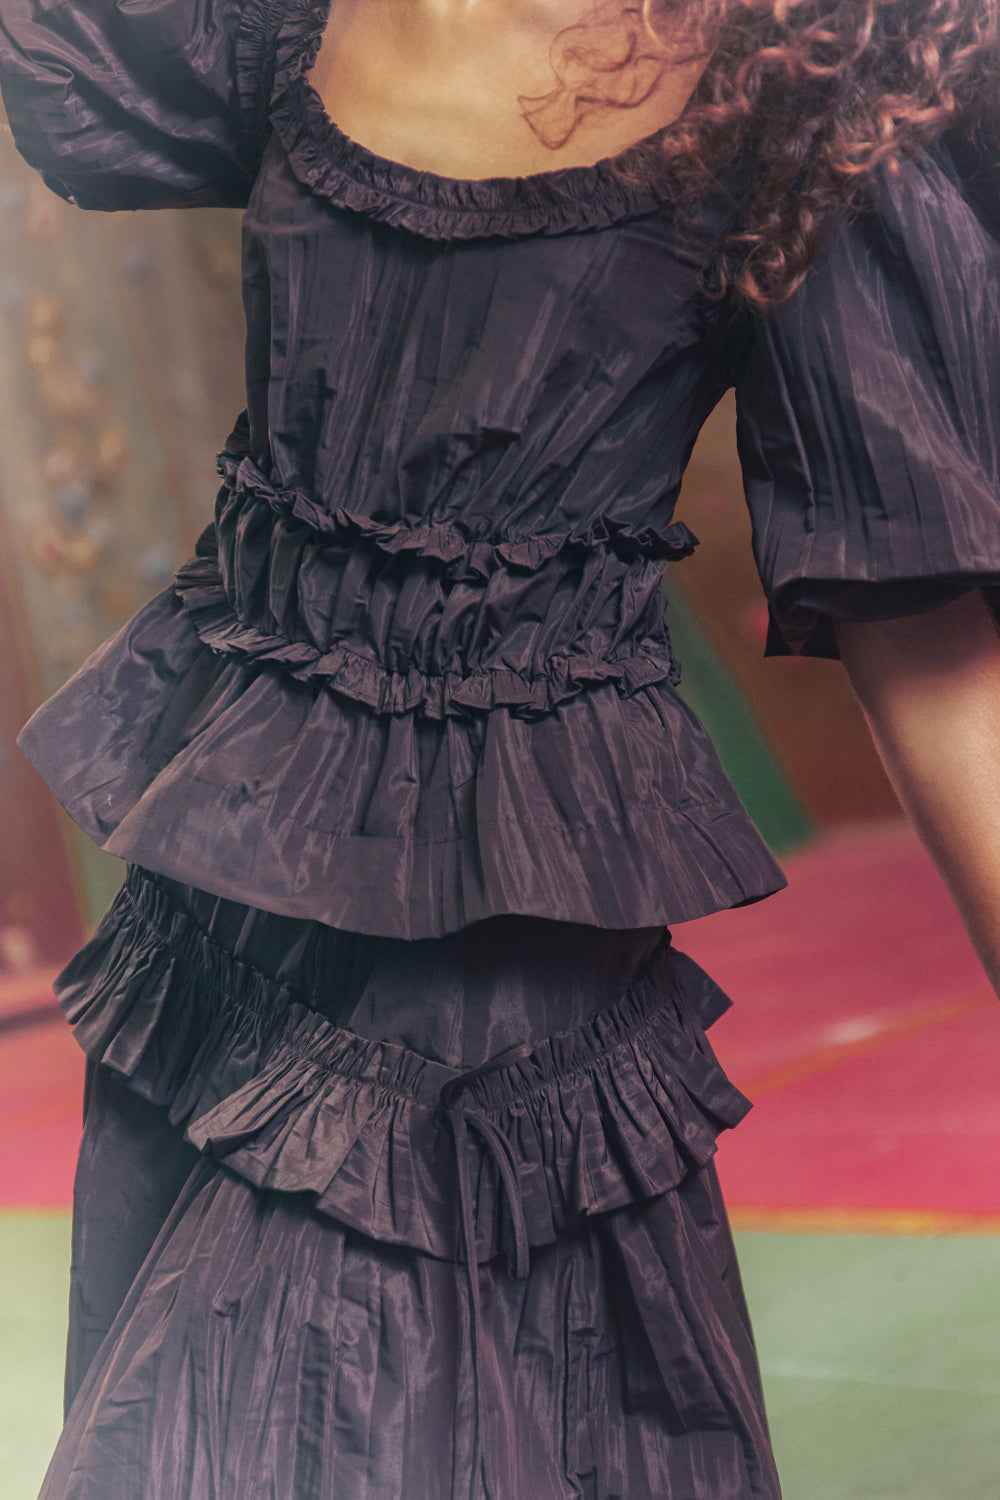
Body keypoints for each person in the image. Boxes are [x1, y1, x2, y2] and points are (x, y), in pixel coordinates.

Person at [2, 1, 1000, 1495]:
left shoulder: (804, 74)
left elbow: (927, 639)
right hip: (214, 933)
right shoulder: (284, 19)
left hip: (488, 1009)